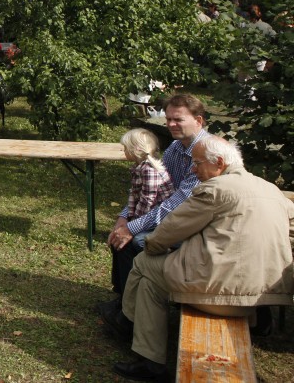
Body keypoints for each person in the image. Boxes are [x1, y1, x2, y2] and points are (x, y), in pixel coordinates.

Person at [107, 137, 294, 381]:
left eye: (197, 163)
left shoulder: (214, 189)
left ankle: (136, 339)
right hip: (266, 293)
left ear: (219, 163)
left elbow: (171, 228)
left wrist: (152, 246)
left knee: (144, 263)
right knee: (150, 280)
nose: (193, 170)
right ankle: (132, 330)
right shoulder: (271, 190)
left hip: (220, 292)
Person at [100, 94, 206, 316]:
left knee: (134, 240)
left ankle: (130, 311)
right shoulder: (176, 147)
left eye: (178, 119)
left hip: (197, 228)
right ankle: (125, 300)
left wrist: (132, 226)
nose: (171, 124)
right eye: (168, 119)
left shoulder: (205, 153)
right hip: (174, 220)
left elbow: (176, 204)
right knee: (121, 236)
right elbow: (157, 189)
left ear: (198, 120)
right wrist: (123, 218)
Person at [118, 129, 175, 248]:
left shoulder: (149, 170)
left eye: (126, 148)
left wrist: (134, 224)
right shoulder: (139, 168)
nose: (124, 151)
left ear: (136, 150)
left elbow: (147, 200)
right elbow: (135, 194)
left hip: (160, 217)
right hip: (149, 214)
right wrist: (129, 216)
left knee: (136, 241)